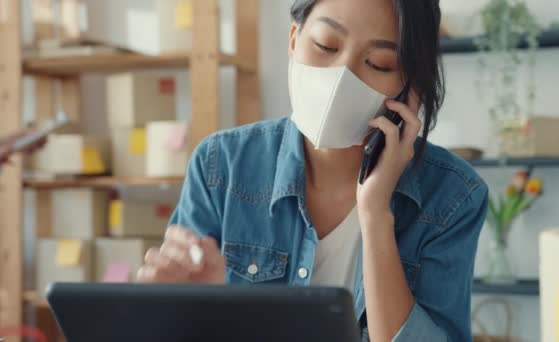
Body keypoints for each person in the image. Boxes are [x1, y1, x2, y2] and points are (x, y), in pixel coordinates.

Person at [137, 0, 489, 341]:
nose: (342, 75)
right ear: (294, 39)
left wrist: (376, 213)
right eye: (325, 45)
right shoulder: (221, 165)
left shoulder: (454, 196)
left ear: (408, 86)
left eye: (380, 63)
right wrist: (183, 308)